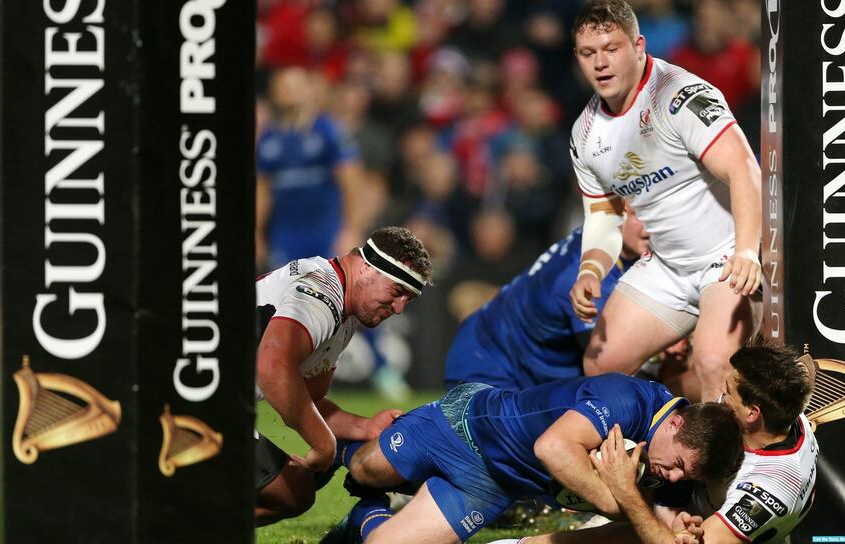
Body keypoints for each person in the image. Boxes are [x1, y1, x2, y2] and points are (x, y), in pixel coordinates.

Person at [566, 0, 762, 401]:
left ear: (639, 47)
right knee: (601, 365)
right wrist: (591, 271)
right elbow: (604, 213)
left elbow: (744, 169)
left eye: (611, 49)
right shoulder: (585, 133)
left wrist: (747, 250)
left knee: (712, 363)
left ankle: (728, 463)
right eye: (589, 54)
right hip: (668, 267)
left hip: (724, 260)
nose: (600, 63)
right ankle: (658, 446)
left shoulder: (679, 96)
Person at [321, 373, 743, 544]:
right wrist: (620, 499)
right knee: (364, 468)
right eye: (679, 465)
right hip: (466, 424)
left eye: (685, 475)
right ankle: (333, 449)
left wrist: (676, 525)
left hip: (492, 485)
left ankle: (368, 512)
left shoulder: (668, 463)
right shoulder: (627, 400)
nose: (672, 476)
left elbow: (650, 515)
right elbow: (552, 448)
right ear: (675, 425)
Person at [492, 337, 818, 544]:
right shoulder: (784, 414)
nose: (721, 395)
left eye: (729, 393)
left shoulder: (770, 488)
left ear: (752, 414)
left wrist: (623, 491)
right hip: (688, 508)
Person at [254, 226, 433, 526]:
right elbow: (272, 367)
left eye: (409, 299)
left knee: (298, 490)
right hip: (185, 396)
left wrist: (363, 426)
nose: (400, 308)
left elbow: (305, 397)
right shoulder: (323, 294)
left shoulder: (342, 312)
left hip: (198, 391)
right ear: (366, 267)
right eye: (397, 291)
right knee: (292, 492)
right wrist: (324, 443)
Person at [443, 205, 650, 390]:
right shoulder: (581, 276)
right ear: (612, 214)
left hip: (530, 368)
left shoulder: (601, 244)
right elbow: (606, 367)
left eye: (653, 212)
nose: (648, 226)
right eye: (637, 214)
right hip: (488, 365)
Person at [256, 66, 366, 272]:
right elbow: (262, 191)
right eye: (283, 87)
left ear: (307, 90)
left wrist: (352, 229)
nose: (288, 91)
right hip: (286, 234)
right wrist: (257, 232)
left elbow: (352, 182)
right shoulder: (268, 139)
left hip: (326, 230)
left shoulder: (329, 132)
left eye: (294, 86)